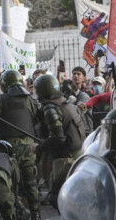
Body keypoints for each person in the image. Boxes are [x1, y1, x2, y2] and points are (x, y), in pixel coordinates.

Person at [0, 70, 44, 220]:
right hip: (29, 146)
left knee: (11, 186)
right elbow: (40, 121)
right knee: (31, 184)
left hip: (8, 148)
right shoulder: (30, 100)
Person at [33, 74, 86, 209]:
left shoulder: (50, 107)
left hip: (66, 158)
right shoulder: (63, 101)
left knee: (57, 197)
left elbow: (58, 138)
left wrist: (38, 147)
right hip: (78, 153)